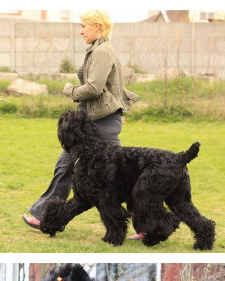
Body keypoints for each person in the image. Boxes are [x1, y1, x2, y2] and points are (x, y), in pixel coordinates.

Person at [23, 10, 139, 232]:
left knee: (124, 176)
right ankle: (44, 216)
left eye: (84, 26)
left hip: (101, 123)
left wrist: (70, 90)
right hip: (88, 121)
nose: (80, 30)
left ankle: (147, 226)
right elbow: (110, 87)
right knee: (64, 167)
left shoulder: (103, 51)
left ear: (97, 27)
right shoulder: (97, 50)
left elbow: (95, 88)